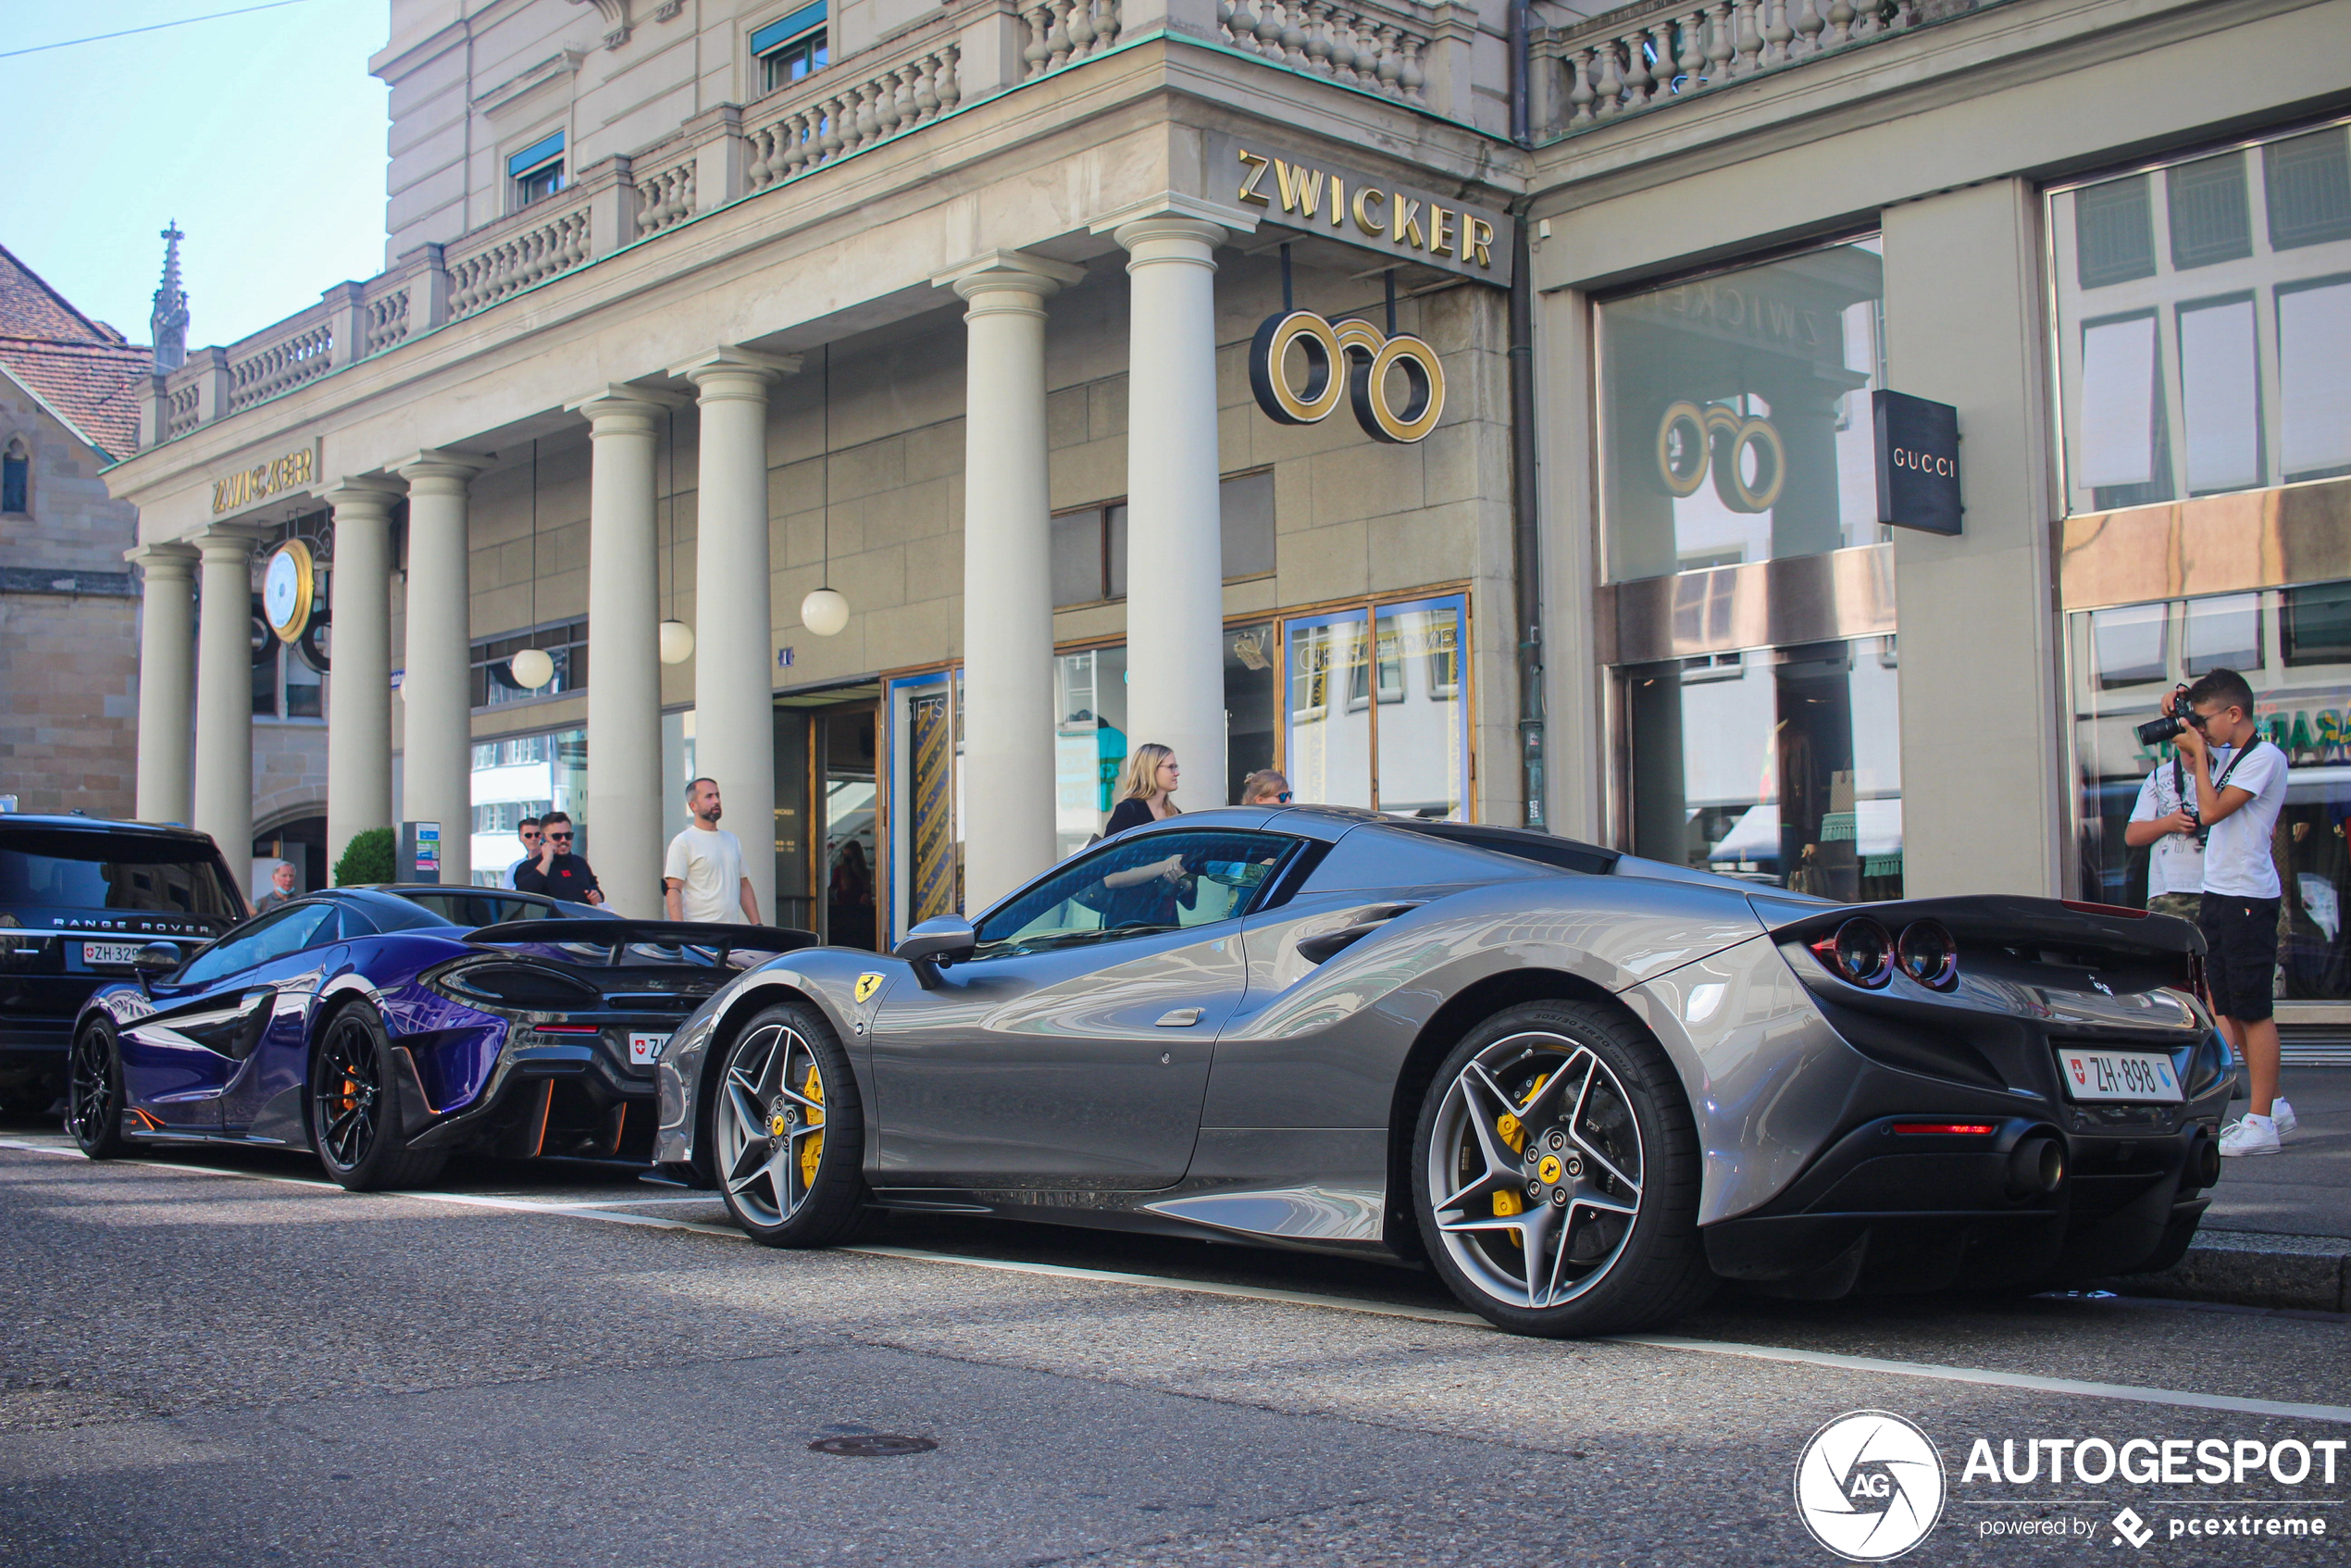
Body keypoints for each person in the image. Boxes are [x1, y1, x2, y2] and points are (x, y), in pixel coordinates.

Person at [2171, 669, 2298, 1156]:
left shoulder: (2264, 758)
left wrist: (2201, 754)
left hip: (2249, 896)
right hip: (2220, 892)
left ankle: (2261, 1121)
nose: (2201, 731)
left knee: (2253, 1009)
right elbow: (2191, 762)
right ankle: (2276, 1106)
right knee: (2227, 1005)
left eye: (2205, 721)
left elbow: (2211, 810)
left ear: (2234, 713)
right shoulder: (2231, 756)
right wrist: (2181, 716)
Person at [2123, 740, 2203, 922]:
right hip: (2169, 890)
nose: (2197, 760)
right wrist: (2170, 823)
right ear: (2180, 747)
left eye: (2202, 754)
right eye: (2191, 755)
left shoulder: (2227, 771)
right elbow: (2132, 836)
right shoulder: (2159, 777)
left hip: (2220, 886)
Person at [665, 778, 760, 925]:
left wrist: (757, 925)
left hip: (732, 933)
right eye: (709, 797)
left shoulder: (732, 840)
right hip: (700, 933)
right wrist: (680, 931)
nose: (716, 801)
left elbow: (744, 885)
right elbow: (673, 889)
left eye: (717, 795)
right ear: (693, 806)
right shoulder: (683, 842)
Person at [514, 811, 604, 905]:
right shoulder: (527, 867)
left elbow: (596, 889)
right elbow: (527, 893)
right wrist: (547, 860)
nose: (564, 840)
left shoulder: (580, 863)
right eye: (557, 836)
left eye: (568, 836)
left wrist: (597, 897)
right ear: (544, 838)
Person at [1102, 743, 1182, 838]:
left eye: (1175, 767)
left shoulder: (1174, 813)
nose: (1177, 773)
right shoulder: (1128, 810)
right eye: (1171, 767)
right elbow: (1109, 850)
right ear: (1151, 769)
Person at [503, 816, 542, 890]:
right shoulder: (514, 868)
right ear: (520, 838)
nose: (533, 838)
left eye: (537, 835)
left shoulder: (551, 862)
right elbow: (506, 894)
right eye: (528, 835)